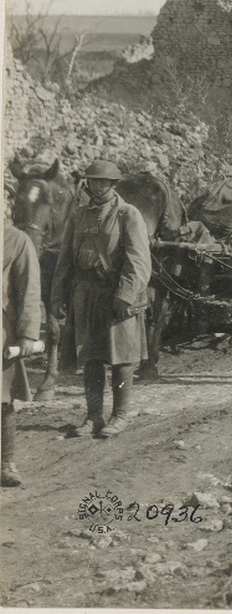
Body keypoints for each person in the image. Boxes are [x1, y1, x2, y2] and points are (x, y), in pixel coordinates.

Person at [52, 161, 151, 438]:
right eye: (93, 181)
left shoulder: (127, 214)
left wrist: (126, 295)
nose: (97, 186)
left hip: (116, 295)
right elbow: (65, 260)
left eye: (103, 182)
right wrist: (58, 295)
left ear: (113, 184)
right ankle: (93, 416)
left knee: (121, 357)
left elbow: (139, 261)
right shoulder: (79, 215)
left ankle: (120, 415)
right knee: (91, 357)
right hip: (85, 294)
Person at [3, 224, 42, 485]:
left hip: (1, 330)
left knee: (2, 397)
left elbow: (28, 289)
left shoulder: (16, 240)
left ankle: (5, 461)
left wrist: (27, 334)